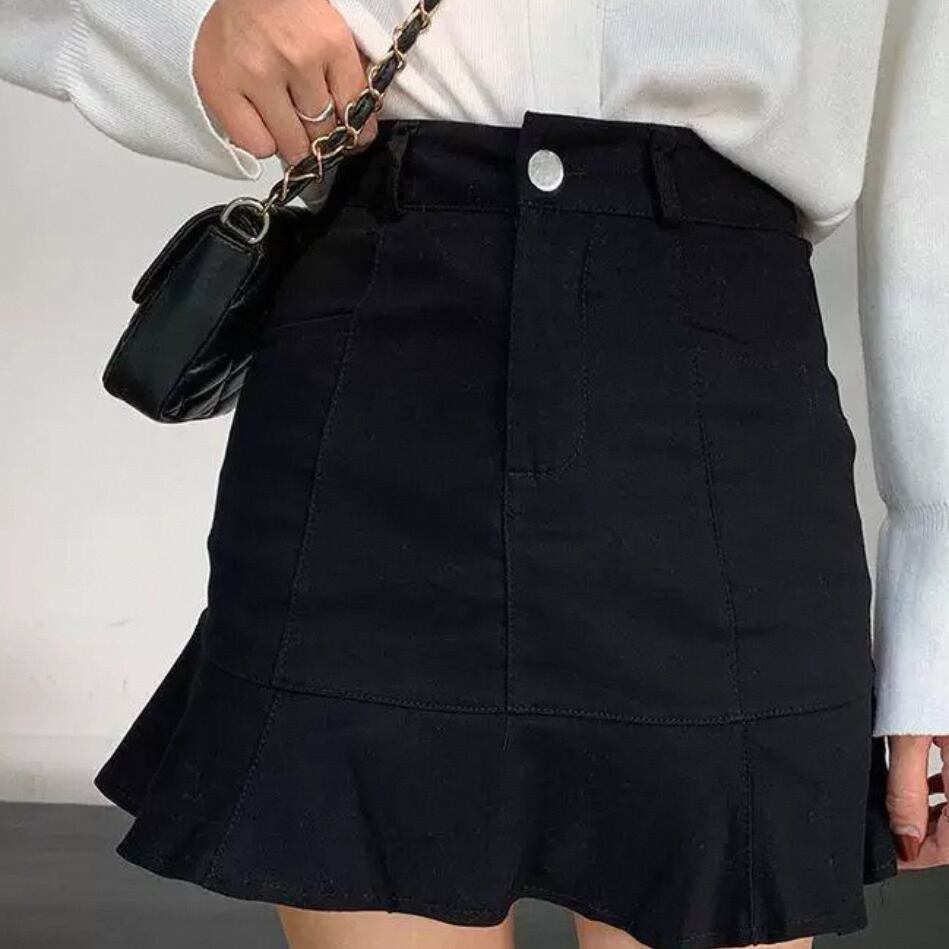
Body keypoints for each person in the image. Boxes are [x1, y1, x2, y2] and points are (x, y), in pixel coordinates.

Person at [2, 1, 947, 947]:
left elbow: (928, 105)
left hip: (720, 400)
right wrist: (189, 18)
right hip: (381, 369)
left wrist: (936, 619)